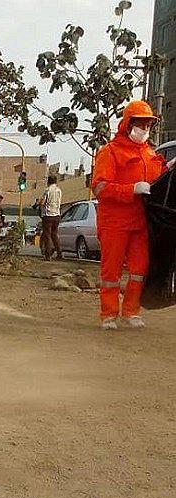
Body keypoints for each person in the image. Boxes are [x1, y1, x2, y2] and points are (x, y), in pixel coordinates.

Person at [91, 100, 173, 330]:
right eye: (141, 124)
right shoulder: (110, 152)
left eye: (148, 125)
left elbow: (159, 182)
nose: (144, 129)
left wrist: (168, 169)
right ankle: (109, 314)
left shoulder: (150, 154)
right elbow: (99, 187)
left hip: (141, 223)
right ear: (128, 124)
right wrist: (131, 189)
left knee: (139, 270)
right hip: (114, 222)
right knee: (111, 271)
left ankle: (131, 311)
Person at [40, 175, 63, 260]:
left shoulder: (47, 190)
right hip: (57, 215)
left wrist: (39, 204)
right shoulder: (59, 190)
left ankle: (48, 255)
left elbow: (43, 202)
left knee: (47, 235)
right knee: (54, 234)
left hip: (48, 215)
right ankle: (59, 253)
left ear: (48, 181)